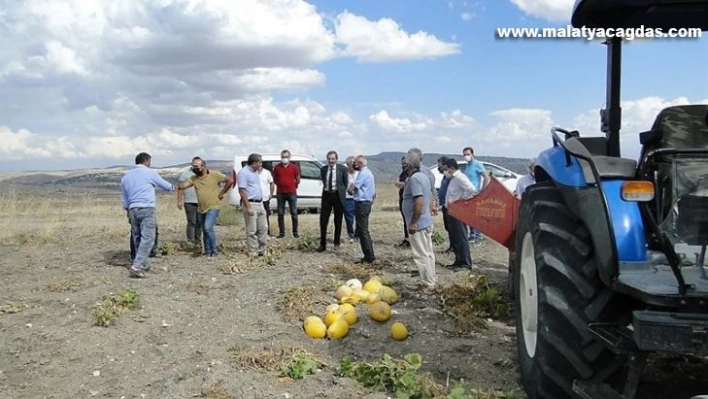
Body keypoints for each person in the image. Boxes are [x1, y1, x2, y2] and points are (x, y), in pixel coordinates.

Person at [120, 152, 175, 278]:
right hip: (146, 208)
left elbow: (124, 198)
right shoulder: (149, 173)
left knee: (137, 237)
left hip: (132, 209)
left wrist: (127, 210)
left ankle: (142, 264)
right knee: (148, 237)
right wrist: (174, 187)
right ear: (146, 161)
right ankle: (137, 265)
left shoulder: (126, 177)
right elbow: (166, 186)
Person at [176, 157, 233, 258]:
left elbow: (229, 181)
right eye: (193, 167)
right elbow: (183, 185)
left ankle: (214, 251)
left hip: (213, 206)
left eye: (197, 167)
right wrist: (173, 187)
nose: (195, 169)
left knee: (207, 228)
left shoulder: (214, 175)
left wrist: (222, 192)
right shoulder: (194, 178)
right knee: (204, 229)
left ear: (203, 166)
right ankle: (207, 251)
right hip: (201, 208)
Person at [401, 151, 436, 292]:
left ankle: (427, 284)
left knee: (421, 254)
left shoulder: (415, 179)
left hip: (419, 224)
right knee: (428, 252)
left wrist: (414, 222)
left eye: (404, 163)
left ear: (408, 165)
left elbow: (419, 200)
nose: (402, 165)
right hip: (426, 221)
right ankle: (431, 280)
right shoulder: (423, 176)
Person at [443, 157, 477, 270]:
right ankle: (458, 261)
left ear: (452, 168)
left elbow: (472, 190)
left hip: (458, 212)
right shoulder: (453, 178)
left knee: (461, 237)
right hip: (451, 211)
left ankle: (465, 263)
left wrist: (460, 201)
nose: (445, 172)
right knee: (455, 238)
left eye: (446, 169)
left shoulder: (460, 178)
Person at [238, 153, 269, 256]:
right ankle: (253, 251)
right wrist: (248, 207)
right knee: (252, 230)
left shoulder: (256, 172)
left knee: (263, 228)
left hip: (260, 203)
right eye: (260, 162)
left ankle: (262, 250)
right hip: (251, 203)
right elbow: (242, 191)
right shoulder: (243, 173)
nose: (261, 164)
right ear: (254, 163)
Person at [317, 150, 348, 252]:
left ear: (336, 159)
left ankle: (336, 242)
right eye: (329, 159)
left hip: (337, 196)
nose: (331, 161)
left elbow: (345, 183)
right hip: (327, 195)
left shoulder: (342, 169)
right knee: (323, 221)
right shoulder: (323, 169)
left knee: (338, 221)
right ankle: (322, 244)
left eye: (332, 159)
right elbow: (323, 180)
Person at [348, 155, 376, 264]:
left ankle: (369, 256)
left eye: (355, 163)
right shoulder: (368, 173)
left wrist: (350, 189)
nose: (353, 165)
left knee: (363, 230)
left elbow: (354, 188)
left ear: (359, 163)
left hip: (362, 203)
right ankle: (369, 255)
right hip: (366, 203)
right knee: (363, 230)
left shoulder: (363, 174)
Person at [462, 146, 490, 242]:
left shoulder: (477, 164)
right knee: (469, 215)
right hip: (468, 193)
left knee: (473, 215)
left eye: (468, 154)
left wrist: (483, 191)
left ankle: (475, 235)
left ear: (473, 154)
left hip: (474, 193)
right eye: (464, 155)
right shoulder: (468, 166)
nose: (466, 156)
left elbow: (486, 177)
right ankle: (474, 234)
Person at [272, 149, 300, 238]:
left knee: (294, 213)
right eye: (283, 157)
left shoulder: (294, 167)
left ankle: (295, 232)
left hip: (292, 193)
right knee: (280, 213)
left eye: (286, 157)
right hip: (280, 193)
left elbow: (298, 179)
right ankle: (281, 233)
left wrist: (293, 186)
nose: (285, 158)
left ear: (289, 157)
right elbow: (275, 179)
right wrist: (281, 184)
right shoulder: (277, 167)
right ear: (281, 157)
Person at [177, 166, 202, 244]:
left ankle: (197, 240)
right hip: (189, 201)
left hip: (201, 202)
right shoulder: (185, 175)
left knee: (199, 222)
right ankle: (190, 241)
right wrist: (179, 201)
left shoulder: (202, 174)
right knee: (192, 222)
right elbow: (180, 188)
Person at [436, 156, 453, 253]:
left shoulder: (450, 177)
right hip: (445, 206)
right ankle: (452, 246)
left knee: (451, 227)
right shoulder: (445, 176)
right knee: (448, 227)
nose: (439, 167)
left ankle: (454, 247)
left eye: (440, 165)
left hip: (450, 206)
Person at [394, 156, 410, 247]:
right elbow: (397, 182)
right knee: (405, 219)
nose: (403, 165)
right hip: (402, 198)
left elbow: (404, 183)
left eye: (405, 163)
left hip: (408, 200)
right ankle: (407, 239)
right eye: (402, 163)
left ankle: (411, 240)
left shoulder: (411, 173)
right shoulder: (404, 172)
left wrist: (400, 184)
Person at [257, 163, 275, 235]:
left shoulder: (267, 172)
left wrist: (271, 194)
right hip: (256, 199)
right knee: (256, 217)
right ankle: (258, 232)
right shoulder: (253, 173)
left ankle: (267, 233)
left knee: (266, 216)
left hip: (265, 199)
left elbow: (271, 183)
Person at [344, 155, 358, 242]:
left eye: (354, 163)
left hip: (357, 198)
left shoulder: (359, 173)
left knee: (359, 218)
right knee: (349, 218)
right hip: (347, 198)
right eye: (351, 163)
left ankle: (357, 234)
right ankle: (351, 234)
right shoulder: (344, 174)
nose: (353, 165)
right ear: (348, 164)